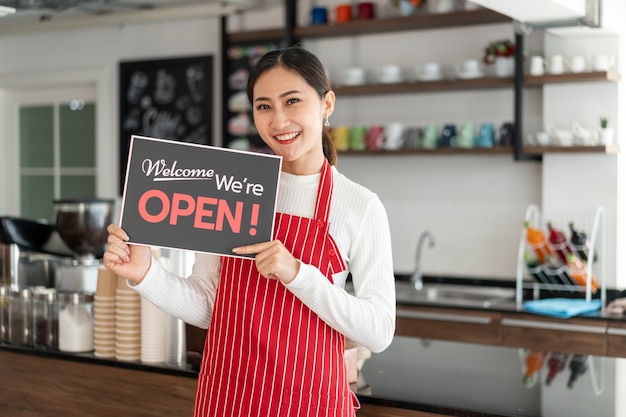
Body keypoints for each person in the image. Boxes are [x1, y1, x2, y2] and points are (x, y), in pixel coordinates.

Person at [104, 46, 395, 417]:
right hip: (227, 398)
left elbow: (380, 331)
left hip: (309, 404)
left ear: (327, 104)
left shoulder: (358, 205)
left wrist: (298, 275)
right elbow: (211, 305)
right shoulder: (232, 185)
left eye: (292, 101)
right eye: (264, 106)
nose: (278, 121)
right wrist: (145, 273)